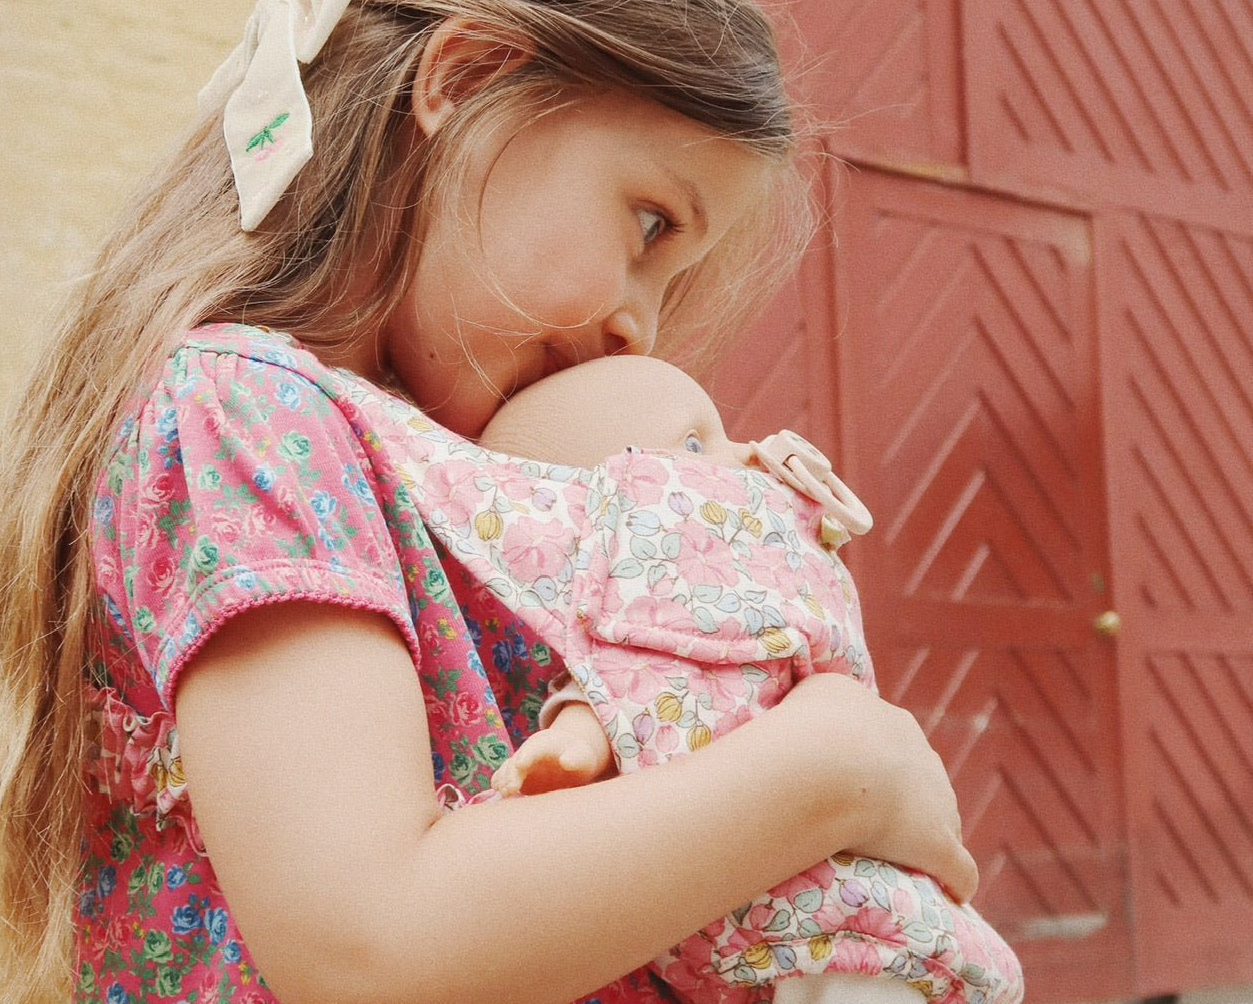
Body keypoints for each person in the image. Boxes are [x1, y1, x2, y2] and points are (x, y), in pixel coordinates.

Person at [0, 0, 985, 1004]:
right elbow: (369, 940)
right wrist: (842, 766)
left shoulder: (401, 464)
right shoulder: (246, 411)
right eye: (651, 224)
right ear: (464, 82)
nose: (640, 326)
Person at [346, 352, 1021, 1004]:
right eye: (698, 444)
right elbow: (608, 694)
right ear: (617, 513)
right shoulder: (633, 630)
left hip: (851, 883)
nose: (750, 453)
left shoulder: (774, 592)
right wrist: (572, 750)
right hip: (773, 899)